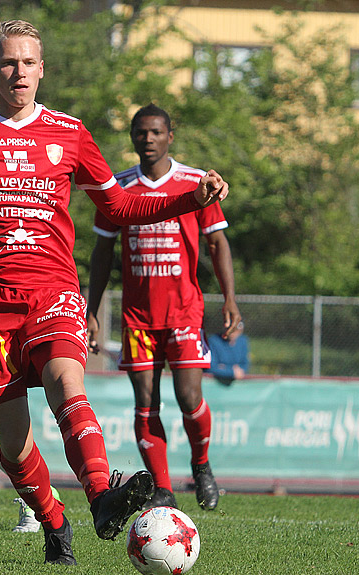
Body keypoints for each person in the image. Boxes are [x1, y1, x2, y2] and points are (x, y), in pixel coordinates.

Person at [0, 20, 229, 566]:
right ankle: (54, 521)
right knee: (15, 447)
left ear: (43, 69)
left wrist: (191, 199)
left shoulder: (69, 132)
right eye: (7, 62)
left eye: (28, 62)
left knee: (68, 384)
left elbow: (119, 208)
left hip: (54, 292)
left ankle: (100, 497)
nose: (18, 72)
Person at [86, 103, 241, 513]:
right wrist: (92, 310)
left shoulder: (196, 183)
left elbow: (217, 243)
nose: (148, 139)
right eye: (141, 132)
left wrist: (229, 299)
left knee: (190, 396)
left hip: (185, 312)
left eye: (156, 132)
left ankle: (202, 465)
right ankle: (165, 489)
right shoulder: (118, 188)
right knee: (146, 400)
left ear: (170, 136)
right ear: (133, 137)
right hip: (138, 318)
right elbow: (102, 252)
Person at [208, 320, 249, 385]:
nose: (233, 333)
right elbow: (211, 367)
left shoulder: (243, 341)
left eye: (236, 330)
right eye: (231, 329)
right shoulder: (213, 341)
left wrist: (224, 368)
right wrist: (232, 371)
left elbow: (244, 365)